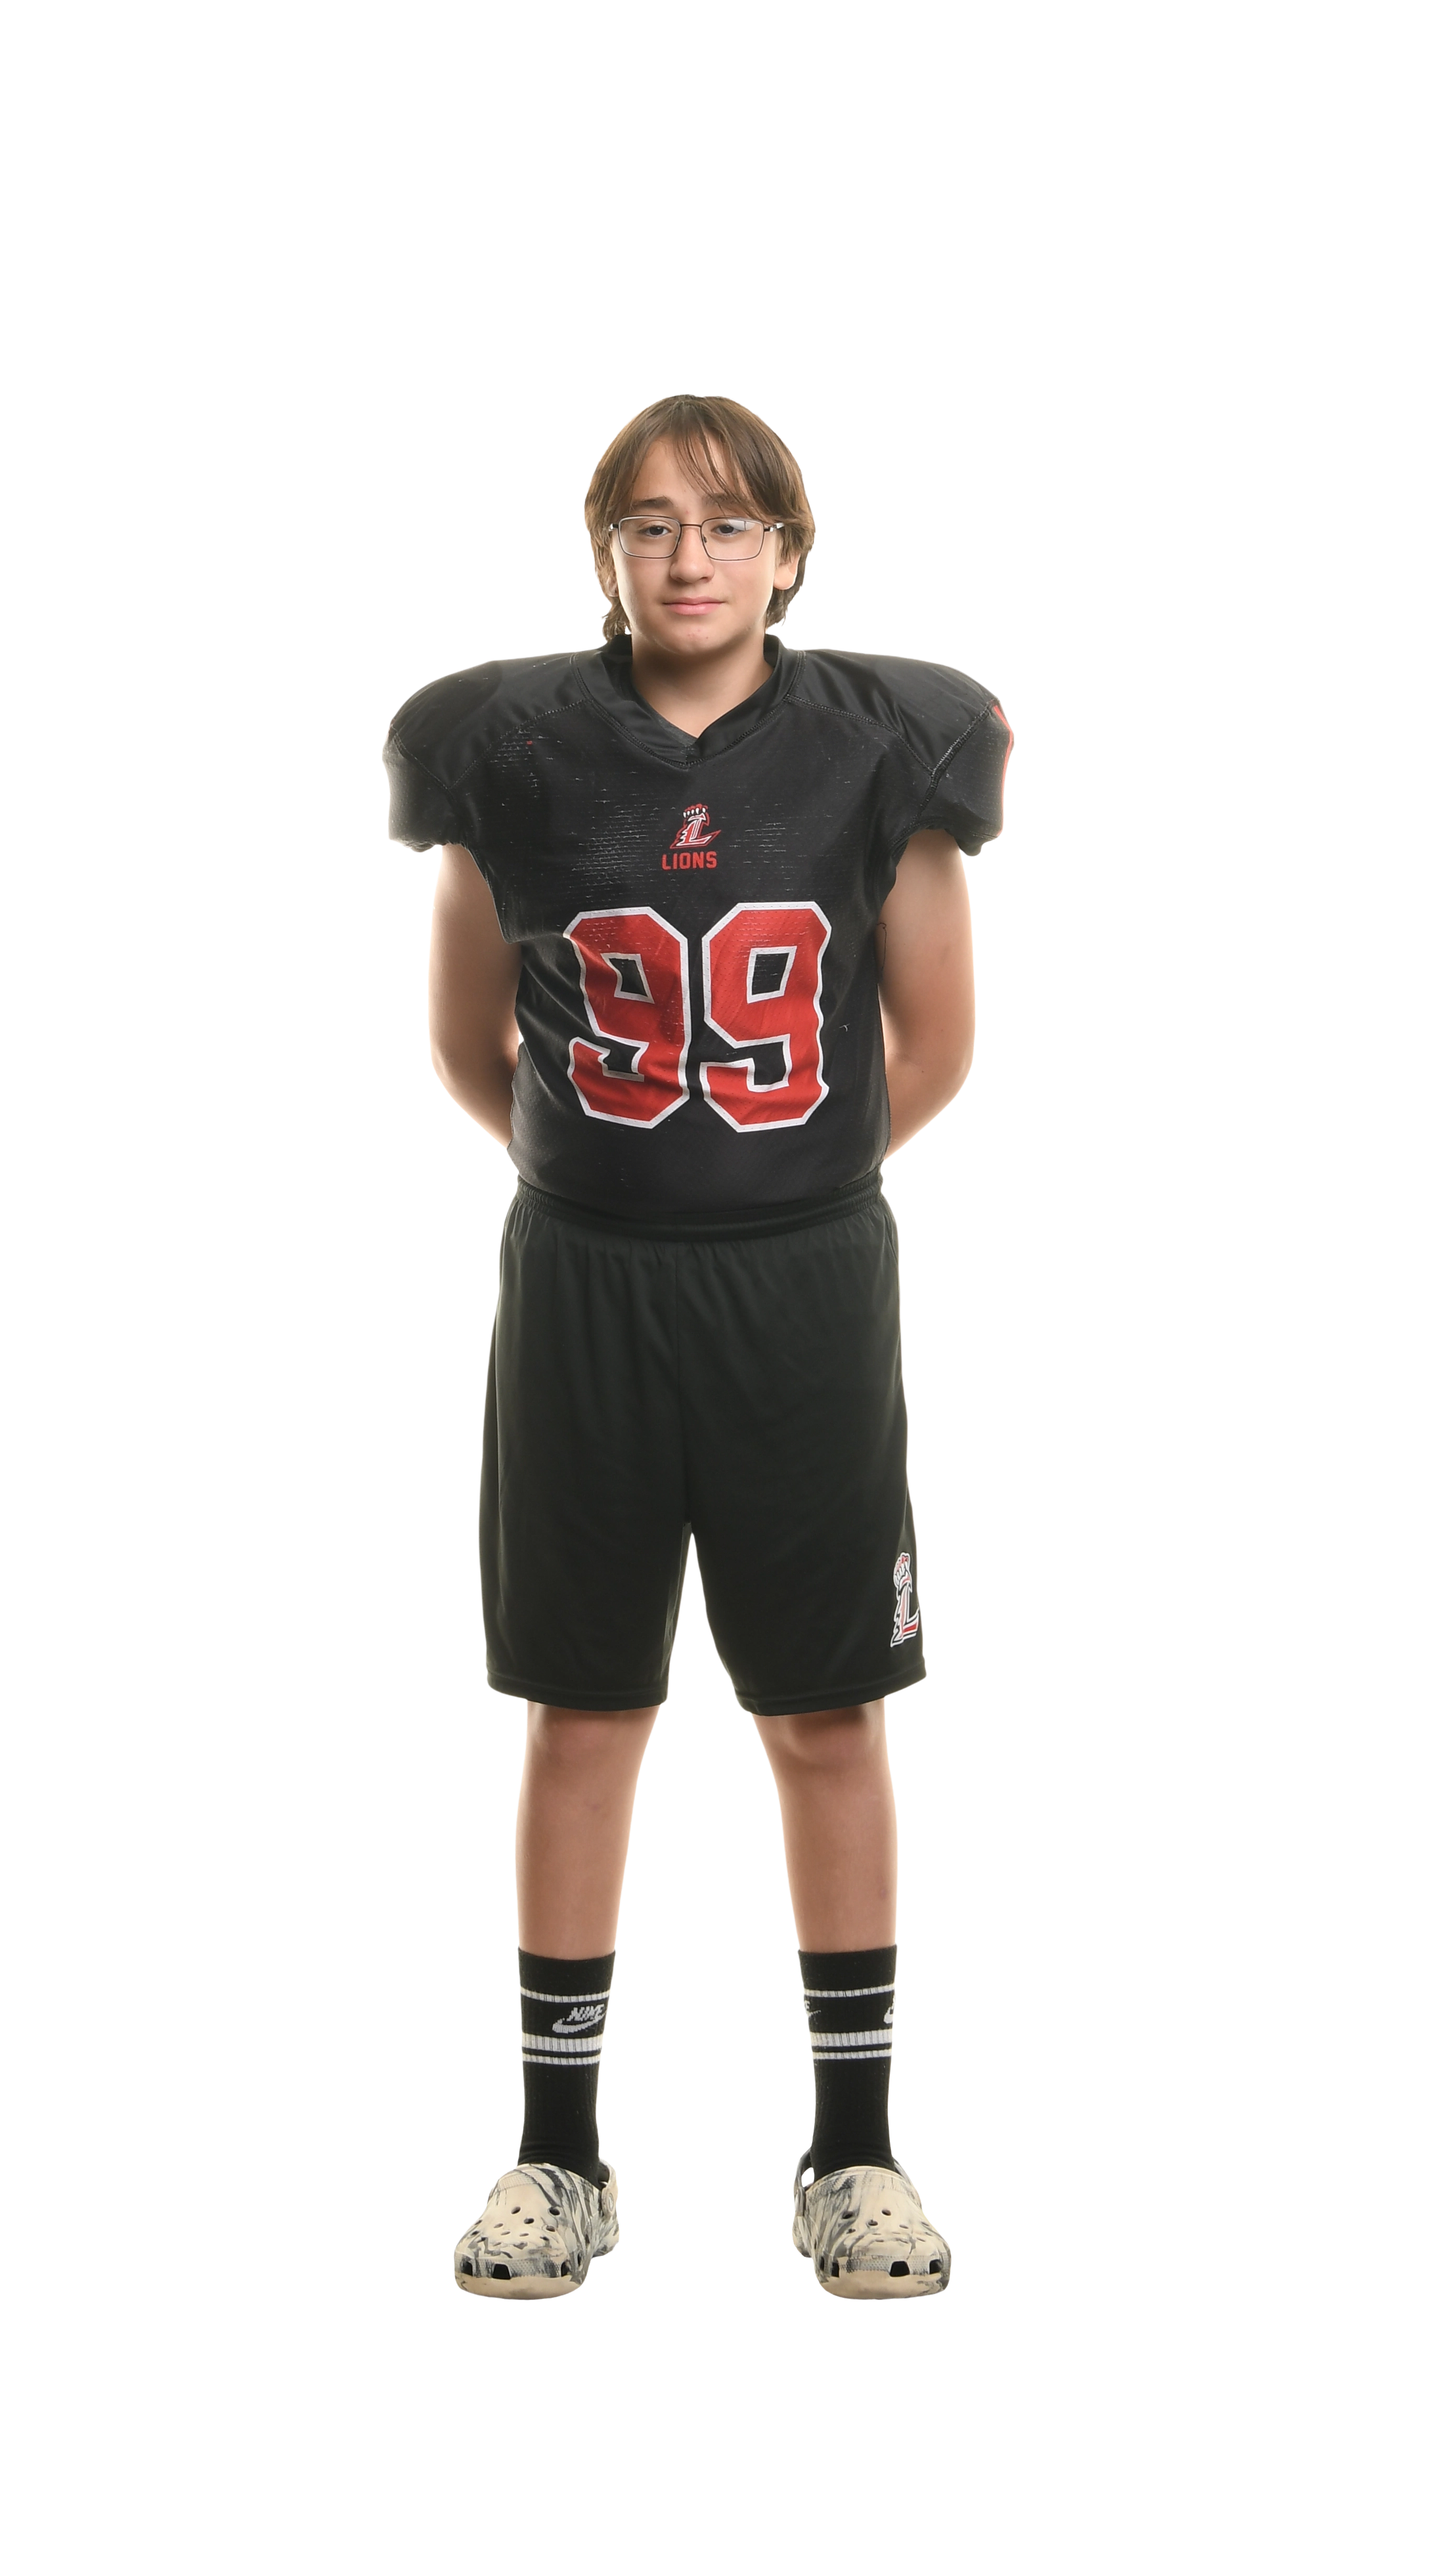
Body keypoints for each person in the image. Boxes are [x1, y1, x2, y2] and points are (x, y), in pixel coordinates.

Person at [384, 392, 1011, 2299]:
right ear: (598, 552)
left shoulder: (884, 743)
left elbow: (933, 1045)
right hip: (584, 1279)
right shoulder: (506, 750)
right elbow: (470, 1044)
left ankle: (856, 2151)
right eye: (648, 522)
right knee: (584, 1706)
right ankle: (559, 2155)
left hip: (806, 1282)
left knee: (828, 1709)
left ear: (792, 551)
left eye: (730, 523)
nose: (689, 556)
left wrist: (774, 1179)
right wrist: (622, 1177)